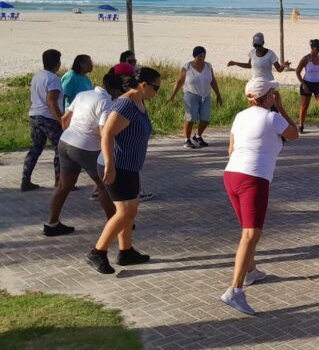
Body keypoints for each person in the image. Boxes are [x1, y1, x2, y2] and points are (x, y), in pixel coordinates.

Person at [220, 78, 299, 315]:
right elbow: (294, 134)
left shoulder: (240, 116)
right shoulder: (272, 117)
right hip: (253, 178)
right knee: (251, 233)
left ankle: (251, 271)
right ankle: (235, 290)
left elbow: (230, 150)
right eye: (273, 93)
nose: (275, 96)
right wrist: (281, 108)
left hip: (231, 174)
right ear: (267, 97)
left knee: (247, 229)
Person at [86, 67, 161, 274]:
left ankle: (126, 251)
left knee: (130, 211)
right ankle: (97, 252)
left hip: (130, 167)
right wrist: (110, 164)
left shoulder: (139, 102)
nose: (158, 92)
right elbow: (107, 134)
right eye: (156, 88)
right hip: (116, 166)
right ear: (143, 85)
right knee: (125, 211)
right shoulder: (125, 104)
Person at [44, 70, 124, 236]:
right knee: (105, 185)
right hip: (86, 147)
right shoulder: (107, 103)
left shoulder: (83, 94)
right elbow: (104, 132)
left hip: (66, 141)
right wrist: (108, 156)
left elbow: (65, 119)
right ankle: (115, 224)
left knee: (64, 186)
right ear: (115, 91)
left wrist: (73, 135)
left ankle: (51, 224)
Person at [21, 49, 64, 192]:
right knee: (60, 148)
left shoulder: (38, 76)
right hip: (48, 117)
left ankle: (25, 180)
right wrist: (61, 120)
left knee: (35, 148)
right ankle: (60, 181)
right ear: (57, 63)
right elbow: (52, 102)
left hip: (34, 114)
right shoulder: (53, 79)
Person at [166, 46, 223, 149]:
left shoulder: (208, 66)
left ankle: (197, 136)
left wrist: (218, 95)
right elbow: (179, 82)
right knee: (190, 118)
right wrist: (172, 96)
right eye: (199, 56)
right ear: (195, 56)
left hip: (205, 96)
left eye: (203, 55)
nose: (202, 57)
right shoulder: (187, 66)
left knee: (205, 119)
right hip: (191, 95)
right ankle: (187, 140)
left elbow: (213, 81)